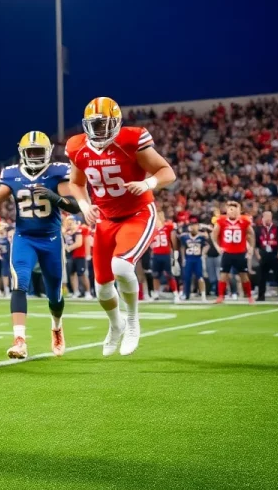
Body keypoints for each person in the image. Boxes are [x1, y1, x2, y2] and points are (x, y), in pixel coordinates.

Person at [66, 97, 176, 356]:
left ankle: (133, 322)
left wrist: (148, 184)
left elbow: (166, 171)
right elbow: (76, 183)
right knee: (102, 287)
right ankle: (116, 324)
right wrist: (84, 206)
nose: (99, 129)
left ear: (116, 122)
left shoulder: (132, 139)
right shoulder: (77, 146)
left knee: (122, 266)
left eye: (104, 123)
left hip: (137, 213)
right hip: (104, 218)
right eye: (94, 124)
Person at [0, 131, 79, 359]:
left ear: (47, 153)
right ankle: (19, 340)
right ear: (22, 153)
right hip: (24, 237)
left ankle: (56, 327)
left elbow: (74, 206)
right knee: (19, 284)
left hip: (51, 239)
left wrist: (54, 197)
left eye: (39, 152)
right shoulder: (12, 174)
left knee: (55, 294)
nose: (35, 156)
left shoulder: (57, 172)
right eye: (31, 152)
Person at [212, 201, 255, 303]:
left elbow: (251, 234)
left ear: (238, 211)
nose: (232, 212)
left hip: (240, 252)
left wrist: (251, 247)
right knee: (223, 275)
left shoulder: (244, 221)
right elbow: (214, 235)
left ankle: (249, 296)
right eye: (230, 209)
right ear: (227, 211)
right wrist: (217, 247)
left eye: (234, 210)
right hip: (227, 252)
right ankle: (221, 296)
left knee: (244, 275)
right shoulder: (221, 221)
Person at [255, 210, 278, 301]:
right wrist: (258, 255)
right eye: (266, 216)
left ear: (272, 217)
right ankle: (261, 296)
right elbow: (255, 244)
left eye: (269, 216)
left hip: (275, 254)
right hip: (263, 254)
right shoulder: (258, 229)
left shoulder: (277, 227)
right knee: (261, 277)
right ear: (263, 218)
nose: (267, 218)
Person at [150, 213, 178, 301]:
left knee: (169, 275)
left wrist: (174, 251)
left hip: (166, 254)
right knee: (155, 275)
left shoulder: (168, 227)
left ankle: (176, 294)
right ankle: (156, 293)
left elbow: (173, 238)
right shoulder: (153, 229)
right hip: (156, 254)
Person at [179, 219, 209, 301]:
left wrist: (203, 254)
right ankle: (186, 294)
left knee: (200, 277)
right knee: (186, 277)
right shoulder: (185, 237)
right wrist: (183, 258)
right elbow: (182, 247)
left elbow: (207, 245)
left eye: (195, 225)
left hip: (197, 258)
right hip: (188, 258)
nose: (193, 227)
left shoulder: (201, 237)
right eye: (191, 225)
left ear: (198, 226)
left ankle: (203, 295)